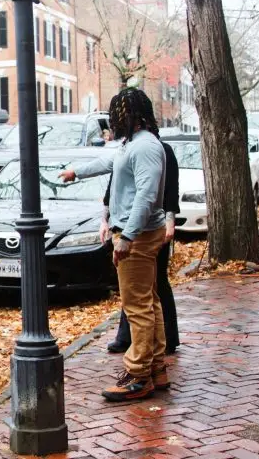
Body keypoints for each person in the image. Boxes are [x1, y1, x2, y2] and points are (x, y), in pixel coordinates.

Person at [59, 88, 167, 402]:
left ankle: (138, 375)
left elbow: (146, 196)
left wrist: (128, 238)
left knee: (137, 308)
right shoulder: (133, 144)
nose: (114, 119)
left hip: (139, 235)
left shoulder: (145, 147)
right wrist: (76, 172)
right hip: (142, 233)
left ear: (132, 114)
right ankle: (156, 369)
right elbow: (111, 161)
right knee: (150, 302)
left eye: (118, 113)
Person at [104, 128, 181, 355]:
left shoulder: (160, 150)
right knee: (136, 289)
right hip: (130, 225)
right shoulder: (126, 151)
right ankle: (131, 340)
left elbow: (169, 189)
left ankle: (164, 341)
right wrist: (105, 218)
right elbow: (114, 184)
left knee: (155, 284)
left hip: (149, 227)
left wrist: (170, 220)